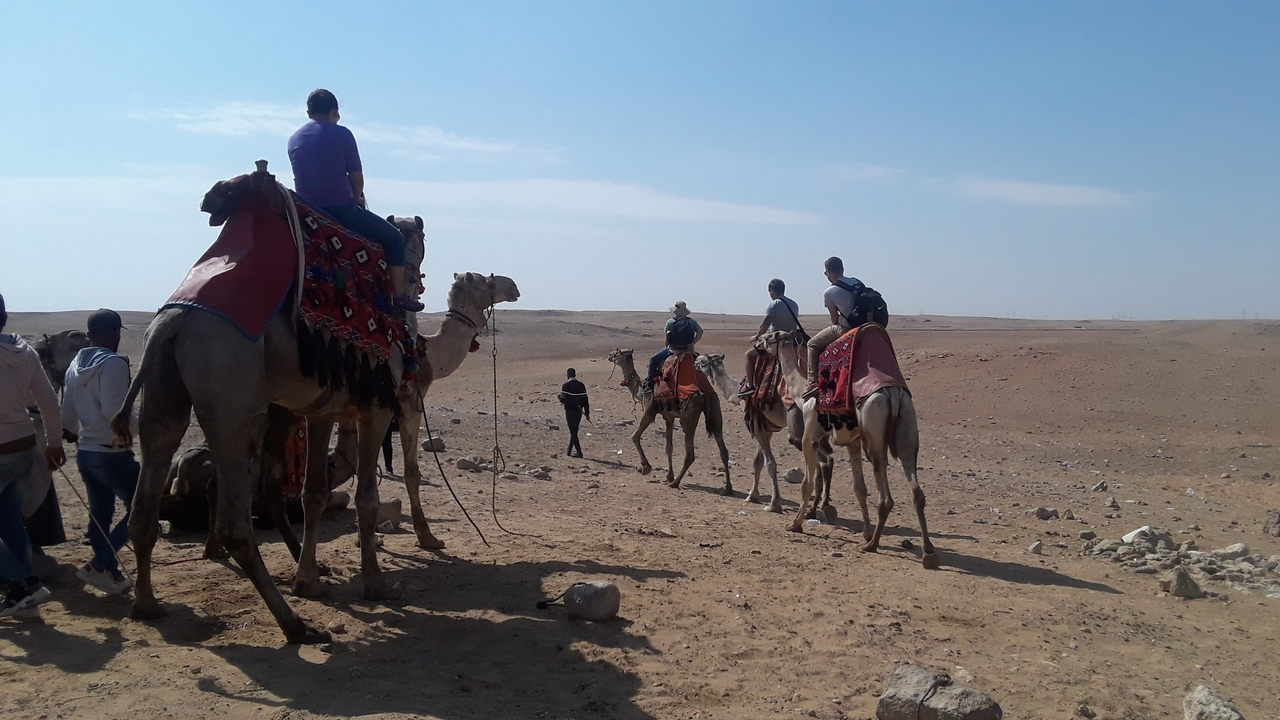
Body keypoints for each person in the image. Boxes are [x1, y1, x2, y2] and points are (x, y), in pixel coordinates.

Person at [287, 89, 423, 314]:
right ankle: (398, 297)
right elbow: (357, 179)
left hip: (306, 213)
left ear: (308, 112)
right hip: (341, 209)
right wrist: (357, 197)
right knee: (396, 239)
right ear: (335, 112)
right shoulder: (343, 134)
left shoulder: (293, 139)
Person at [61, 309, 138, 595]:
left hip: (87, 453)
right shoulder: (114, 364)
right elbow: (113, 412)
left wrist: (72, 430)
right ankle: (100, 565)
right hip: (112, 454)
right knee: (144, 507)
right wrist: (146, 426)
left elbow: (67, 416)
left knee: (100, 516)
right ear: (115, 332)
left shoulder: (74, 365)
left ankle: (110, 575)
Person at [0, 293, 62, 616]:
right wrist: (54, 444)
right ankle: (21, 592)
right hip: (23, 448)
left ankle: (25, 582)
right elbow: (50, 402)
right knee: (10, 520)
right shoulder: (24, 352)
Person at [802, 257, 864, 399]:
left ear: (827, 273)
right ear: (842, 269)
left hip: (846, 328)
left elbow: (834, 319)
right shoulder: (857, 282)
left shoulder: (829, 292)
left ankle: (812, 382)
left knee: (812, 344)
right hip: (866, 325)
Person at [738, 278, 800, 397]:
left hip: (776, 341)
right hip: (792, 340)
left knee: (748, 356)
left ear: (771, 291)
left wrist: (757, 337)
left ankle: (749, 385)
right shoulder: (794, 304)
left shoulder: (774, 304)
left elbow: (765, 325)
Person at [645, 301, 704, 391]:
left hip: (672, 350)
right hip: (687, 350)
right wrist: (692, 344)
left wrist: (666, 347)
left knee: (653, 360)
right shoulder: (691, 322)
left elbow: (667, 339)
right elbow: (700, 331)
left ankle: (649, 385)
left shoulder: (670, 322)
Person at [558, 369, 590, 458]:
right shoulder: (581, 385)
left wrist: (559, 397)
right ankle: (569, 450)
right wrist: (587, 413)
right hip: (579, 411)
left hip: (570, 411)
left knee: (573, 431)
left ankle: (579, 452)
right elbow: (585, 400)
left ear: (567, 375)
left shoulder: (566, 386)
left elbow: (563, 400)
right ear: (575, 375)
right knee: (574, 430)